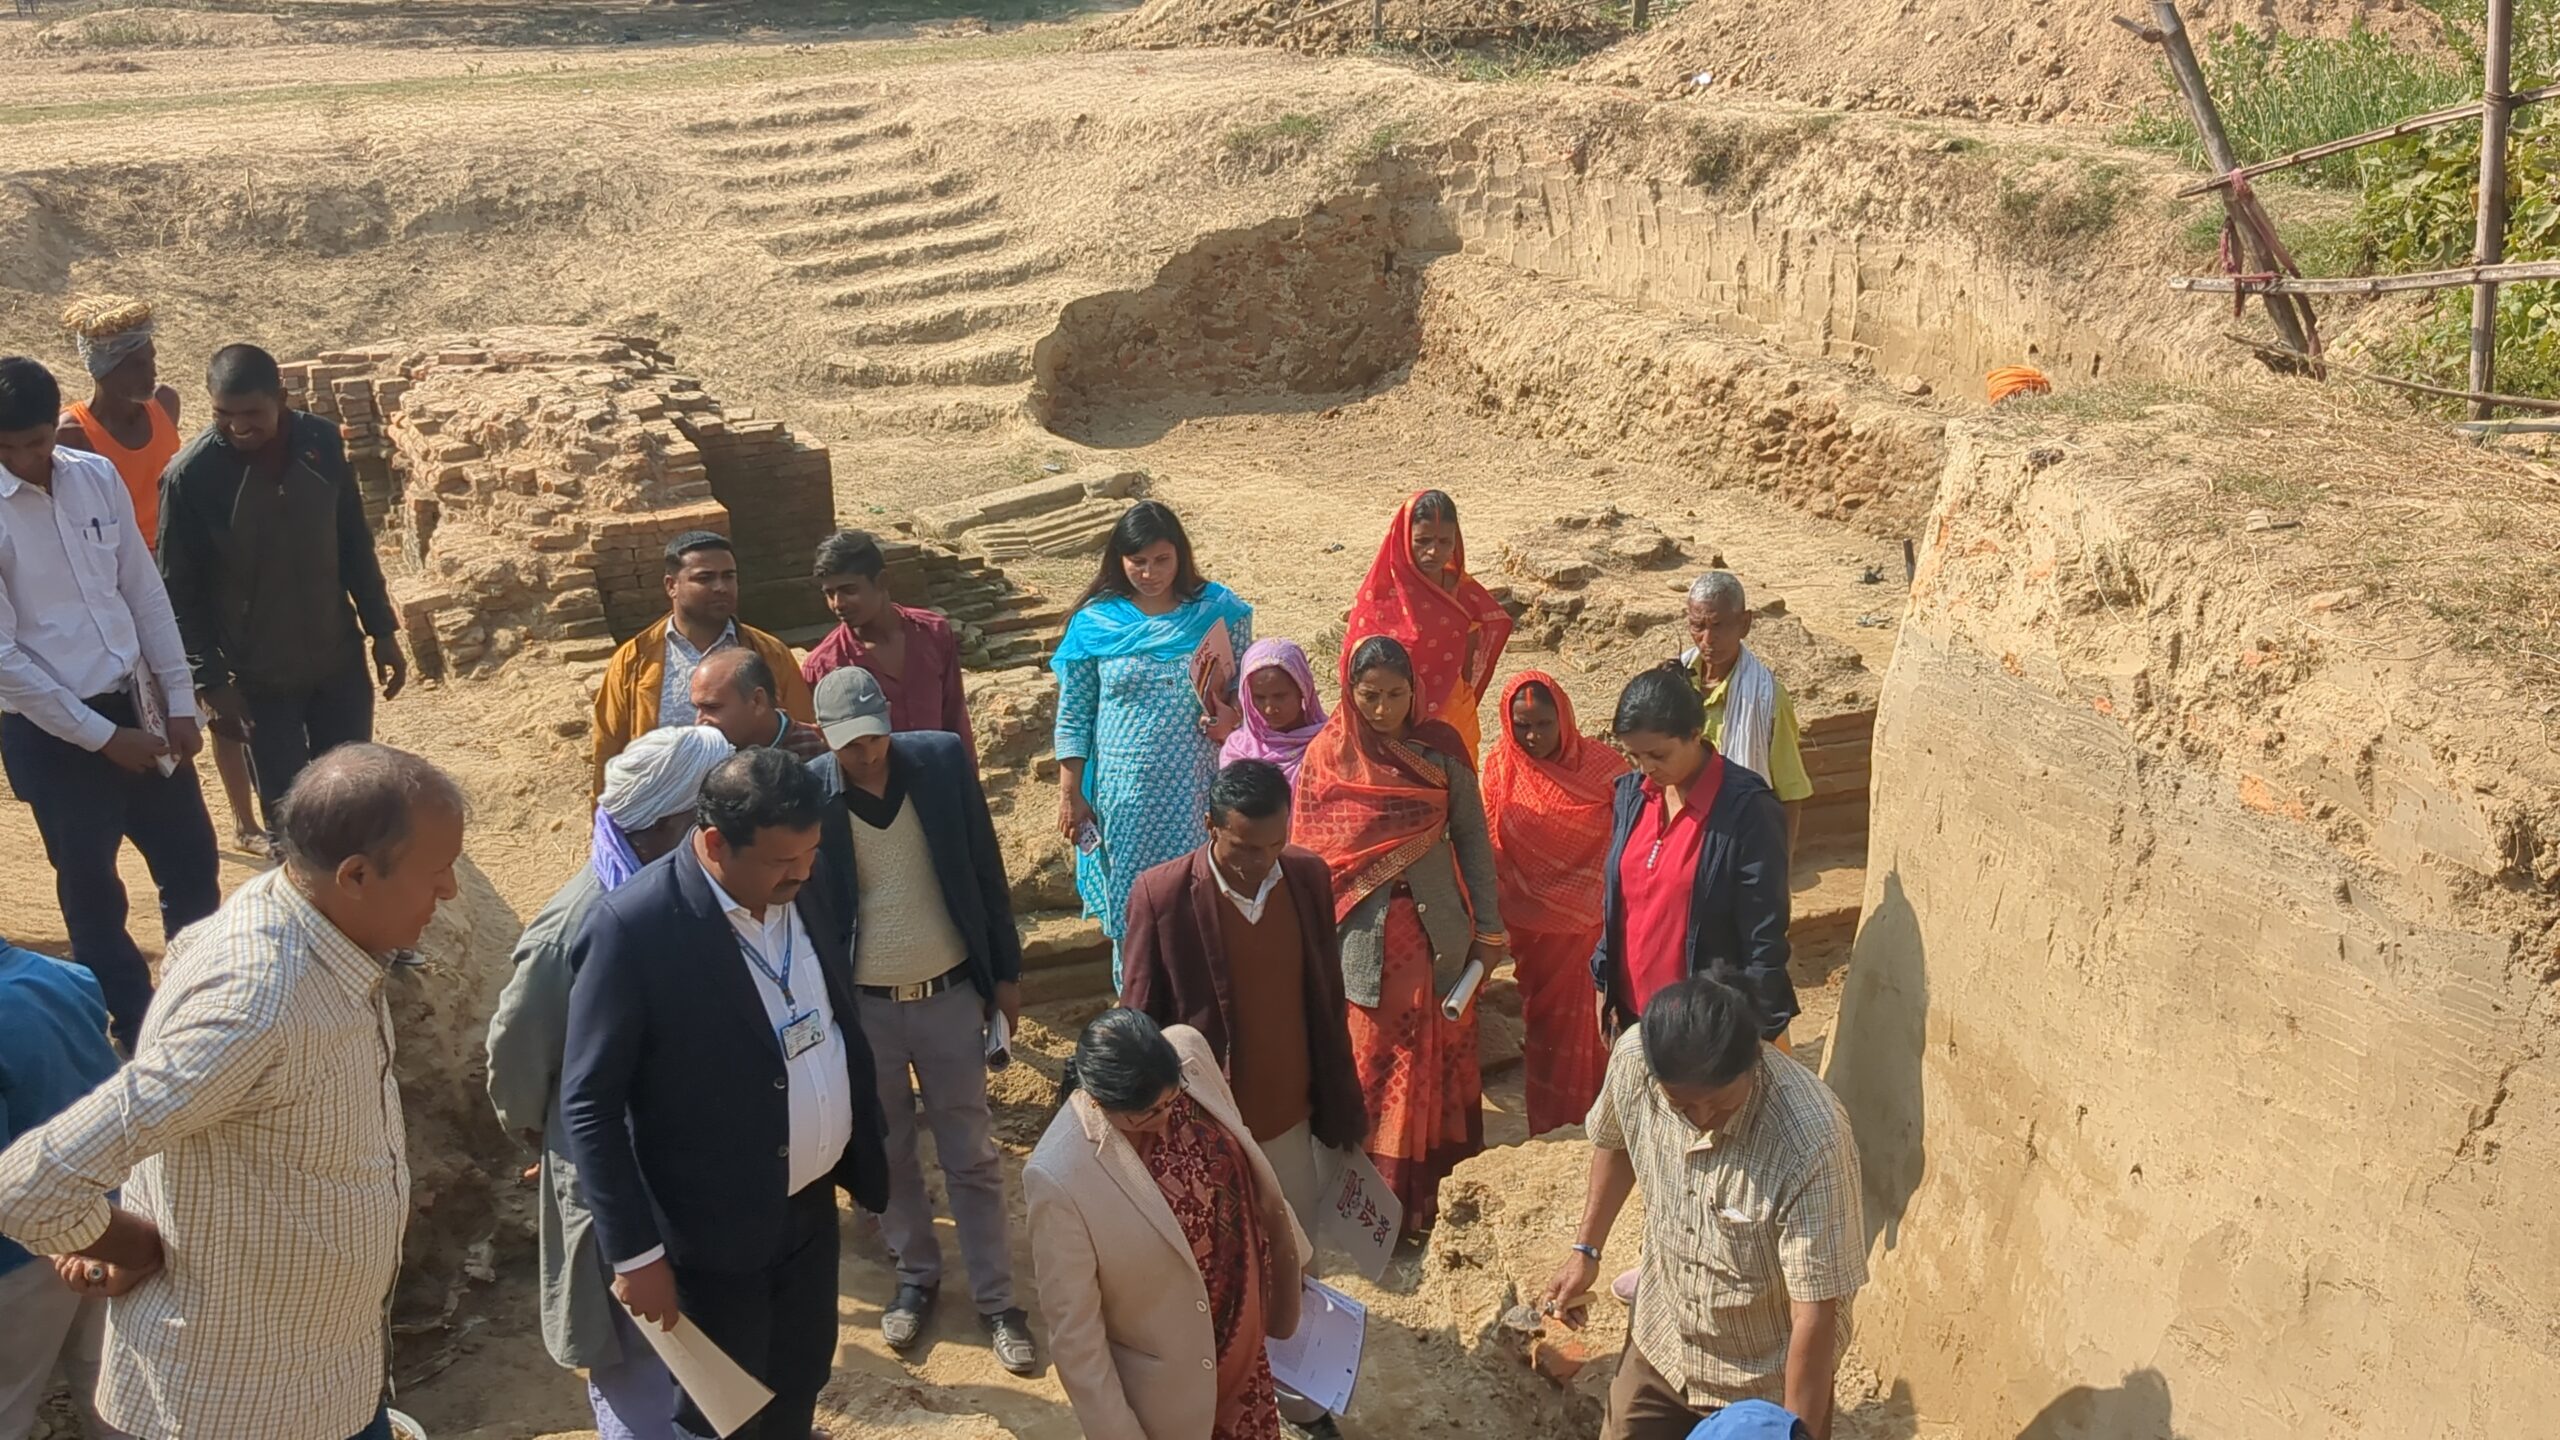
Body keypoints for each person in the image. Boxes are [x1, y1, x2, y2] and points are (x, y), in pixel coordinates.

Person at [0, 744, 467, 1440]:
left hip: (329, 1374)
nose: (450, 891)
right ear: (356, 875)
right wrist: (128, 1242)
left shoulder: (314, 925)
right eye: (437, 872)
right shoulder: (258, 1004)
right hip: (243, 1402)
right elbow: (29, 1187)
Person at [561, 748, 890, 1440]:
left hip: (808, 1209)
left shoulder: (804, 879)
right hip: (709, 1235)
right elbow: (590, 1105)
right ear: (714, 843)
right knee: (724, 1417)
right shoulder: (634, 929)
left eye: (810, 853)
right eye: (782, 861)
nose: (802, 872)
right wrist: (635, 1255)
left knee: (800, 1379)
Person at [484, 726, 734, 1440]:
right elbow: (518, 1054)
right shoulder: (575, 928)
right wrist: (547, 1134)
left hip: (695, 1171)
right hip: (615, 1175)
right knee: (639, 1370)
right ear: (667, 825)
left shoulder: (693, 896)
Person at [1119, 757, 1365, 1439]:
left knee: (1295, 1263)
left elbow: (1325, 999)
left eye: (1274, 845)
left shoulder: (1306, 878)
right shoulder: (1163, 895)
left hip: (1288, 1121)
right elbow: (1139, 1019)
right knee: (1216, 1278)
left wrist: (1341, 1103)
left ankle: (1303, 1403)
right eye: (1244, 848)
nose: (1261, 863)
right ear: (1210, 828)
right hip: (1204, 1132)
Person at [806, 667, 1036, 1374]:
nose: (866, 754)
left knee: (971, 1153)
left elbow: (984, 867)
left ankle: (998, 1300)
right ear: (825, 739)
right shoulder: (811, 792)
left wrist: (1004, 975)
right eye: (850, 745)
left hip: (948, 996)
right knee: (888, 1151)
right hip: (865, 1009)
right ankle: (917, 1275)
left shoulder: (939, 762)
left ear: (888, 721)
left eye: (874, 738)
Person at [0, 355, 219, 1053]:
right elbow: (4, 661)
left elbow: (143, 592)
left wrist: (178, 700)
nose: (28, 459)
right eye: (11, 449)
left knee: (192, 865)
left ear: (54, 424)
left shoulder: (95, 476)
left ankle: (197, 1013)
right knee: (93, 893)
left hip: (138, 709)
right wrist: (100, 737)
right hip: (52, 733)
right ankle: (134, 1028)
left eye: (37, 442)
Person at [1539, 976, 1864, 1440]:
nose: (1702, 1119)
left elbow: (1813, 1312)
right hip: (1664, 1341)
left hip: (1762, 1381)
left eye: (1721, 1103)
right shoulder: (1633, 1060)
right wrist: (1585, 1251)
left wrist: (1789, 1430)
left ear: (1754, 1062)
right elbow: (1616, 1141)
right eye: (1682, 1107)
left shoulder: (1810, 1140)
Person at [1293, 635, 1507, 1231]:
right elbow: (1311, 855)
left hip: (1440, 932)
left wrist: (1489, 931)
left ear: (1415, 691)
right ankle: (1373, 1208)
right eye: (1370, 696)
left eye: (1395, 694)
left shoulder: (1441, 751)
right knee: (1376, 1063)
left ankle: (1434, 1197)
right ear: (1349, 693)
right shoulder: (1329, 757)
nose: (1383, 709)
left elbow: (1473, 841)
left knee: (1440, 1057)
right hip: (1363, 940)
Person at [156, 343, 407, 839]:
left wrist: (382, 630)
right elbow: (179, 591)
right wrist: (211, 682)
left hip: (338, 661)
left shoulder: (322, 444)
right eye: (223, 414)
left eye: (252, 413)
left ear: (282, 399)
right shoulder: (191, 477)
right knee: (290, 817)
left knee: (352, 799)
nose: (238, 427)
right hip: (259, 679)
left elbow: (354, 542)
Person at [1025, 1009, 1308, 1440]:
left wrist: (1291, 1257)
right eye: (1145, 1115)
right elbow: (1077, 1341)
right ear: (1099, 1102)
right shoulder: (1059, 1176)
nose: (1165, 1119)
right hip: (1177, 1397)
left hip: (1249, 1347)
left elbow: (1248, 1159)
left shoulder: (1189, 1052)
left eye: (1173, 1100)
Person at [55, 297, 265, 857]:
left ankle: (245, 821)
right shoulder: (73, 435)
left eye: (151, 357)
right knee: (155, 698)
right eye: (137, 363)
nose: (152, 371)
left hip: (188, 568)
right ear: (105, 369)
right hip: (128, 581)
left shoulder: (164, 406)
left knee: (218, 688)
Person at [1051, 501, 1253, 992]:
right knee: (1135, 911)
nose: (1150, 573)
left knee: (1202, 904)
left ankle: (1203, 1015)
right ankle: (1139, 1011)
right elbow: (1075, 714)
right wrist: (1070, 793)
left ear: (1180, 555)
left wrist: (1232, 718)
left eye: (1162, 560)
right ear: (1118, 560)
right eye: (1137, 561)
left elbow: (1247, 693)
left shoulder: (1218, 612)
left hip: (1199, 793)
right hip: (1126, 803)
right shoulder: (1096, 624)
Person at [1594, 666, 1794, 1043]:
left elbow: (1764, 934)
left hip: (1707, 1028)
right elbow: (1619, 902)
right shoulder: (1632, 796)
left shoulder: (1746, 811)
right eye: (1634, 755)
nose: (1646, 768)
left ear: (1695, 734)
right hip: (1635, 1017)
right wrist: (1604, 983)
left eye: (1659, 754)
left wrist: (1756, 1030)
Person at [1480, 671, 1627, 1137]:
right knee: (1546, 1032)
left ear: (1564, 717)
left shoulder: (1605, 769)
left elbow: (1633, 835)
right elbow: (1487, 844)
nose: (1533, 736)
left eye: (1544, 724)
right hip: (1533, 931)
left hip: (1595, 927)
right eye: (1522, 725)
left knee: (1597, 1027)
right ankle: (1553, 1127)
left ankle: (1607, 1123)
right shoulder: (1500, 768)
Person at [0, 939, 128, 1440]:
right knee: (112, 1391)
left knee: (8, 1402)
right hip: (110, 1224)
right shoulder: (69, 977)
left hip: (20, 1255)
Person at [589, 530, 813, 797]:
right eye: (705, 578)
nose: (721, 587)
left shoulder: (770, 654)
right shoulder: (634, 662)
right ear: (671, 586)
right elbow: (609, 748)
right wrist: (605, 817)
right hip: (663, 813)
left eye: (728, 576)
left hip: (755, 810)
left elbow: (802, 734)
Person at [1342, 490, 1512, 758]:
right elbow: (1356, 664)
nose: (1434, 551)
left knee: (1454, 778)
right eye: (1422, 541)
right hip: (1391, 715)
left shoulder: (1462, 591)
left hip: (1451, 712)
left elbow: (1469, 657)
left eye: (1445, 541)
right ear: (1403, 538)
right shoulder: (1379, 596)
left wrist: (1457, 698)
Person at [800, 529, 974, 755]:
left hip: (942, 772)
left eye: (849, 590)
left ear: (882, 581)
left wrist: (967, 775)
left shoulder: (933, 633)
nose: (838, 604)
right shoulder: (824, 667)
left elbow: (955, 717)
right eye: (829, 594)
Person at [1679, 572, 1813, 856]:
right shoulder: (1674, 682)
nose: (1707, 639)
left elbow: (1790, 794)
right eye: (1698, 626)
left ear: (1745, 623)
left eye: (1718, 626)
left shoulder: (1767, 698)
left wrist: (1779, 866)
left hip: (1740, 843)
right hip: (1682, 841)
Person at [1218, 638, 1327, 785]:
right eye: (1259, 698)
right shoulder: (1238, 750)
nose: (1269, 709)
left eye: (1280, 696)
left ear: (1303, 689)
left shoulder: (1330, 742)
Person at [689, 648, 827, 760]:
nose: (699, 722)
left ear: (757, 701)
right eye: (697, 708)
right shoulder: (701, 760)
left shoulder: (820, 750)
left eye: (712, 707)